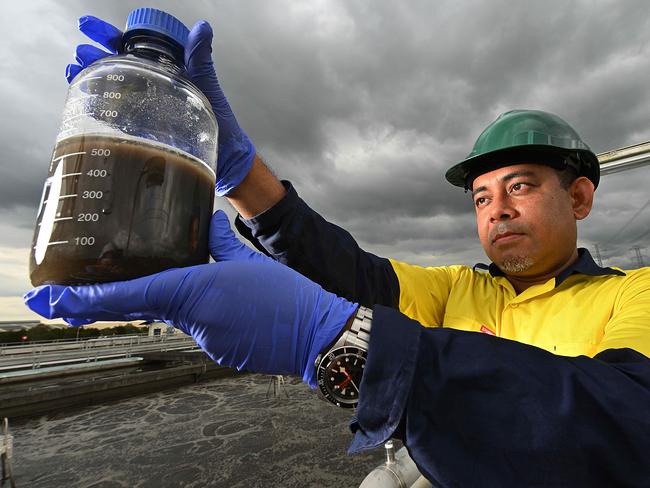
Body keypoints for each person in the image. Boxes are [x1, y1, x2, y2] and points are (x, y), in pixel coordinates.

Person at [25, 15, 650, 486]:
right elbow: (348, 274)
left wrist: (330, 339)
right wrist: (239, 175)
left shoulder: (633, 294)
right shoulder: (460, 288)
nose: (498, 210)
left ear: (581, 198)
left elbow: (624, 423)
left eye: (521, 187)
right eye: (482, 197)